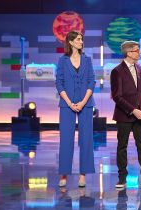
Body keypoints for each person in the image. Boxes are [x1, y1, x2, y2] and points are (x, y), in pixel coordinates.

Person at [110, 41, 141, 189]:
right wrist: (132, 110)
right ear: (128, 53)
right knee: (122, 146)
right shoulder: (117, 71)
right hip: (124, 115)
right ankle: (122, 178)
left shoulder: (140, 69)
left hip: (140, 114)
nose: (139, 53)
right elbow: (117, 96)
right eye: (137, 51)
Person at [55, 30, 96, 187]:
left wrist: (83, 101)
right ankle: (64, 174)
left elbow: (91, 82)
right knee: (66, 139)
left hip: (86, 104)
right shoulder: (62, 60)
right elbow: (59, 83)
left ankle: (83, 175)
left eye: (81, 39)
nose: (81, 42)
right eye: (78, 39)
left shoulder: (87, 60)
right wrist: (70, 102)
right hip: (67, 104)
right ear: (71, 42)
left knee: (86, 139)